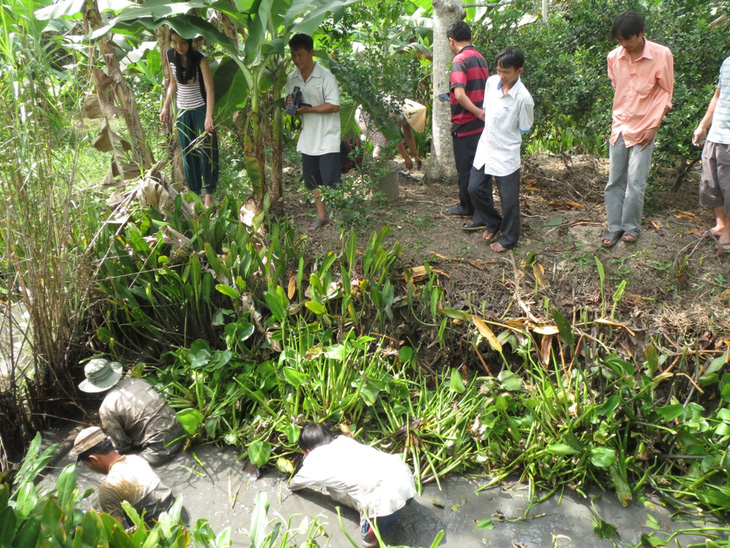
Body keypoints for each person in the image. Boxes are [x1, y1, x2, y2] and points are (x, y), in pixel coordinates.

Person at [601, 11, 673, 247]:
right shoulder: (614, 57)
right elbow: (617, 86)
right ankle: (614, 228)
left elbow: (665, 93)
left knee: (636, 181)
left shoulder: (661, 55)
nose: (624, 45)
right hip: (620, 125)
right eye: (620, 41)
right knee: (614, 180)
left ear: (641, 34)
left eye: (628, 40)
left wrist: (654, 127)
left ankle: (631, 227)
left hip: (646, 126)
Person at [289, 423, 416, 548]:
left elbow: (295, 484)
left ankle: (376, 532)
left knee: (368, 542)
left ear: (309, 450)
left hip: (383, 503)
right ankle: (399, 508)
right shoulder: (344, 441)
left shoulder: (314, 459)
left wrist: (289, 486)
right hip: (406, 481)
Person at [465, 48, 534, 252]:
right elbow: (487, 110)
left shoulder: (523, 98)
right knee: (474, 188)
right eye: (499, 71)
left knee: (509, 200)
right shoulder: (491, 83)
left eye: (507, 72)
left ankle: (509, 238)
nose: (501, 76)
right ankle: (493, 222)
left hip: (507, 151)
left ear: (519, 71)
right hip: (486, 145)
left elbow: (525, 127)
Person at [78, 358, 185, 466]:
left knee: (124, 466)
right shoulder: (138, 382)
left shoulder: (106, 408)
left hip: (159, 451)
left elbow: (122, 445)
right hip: (182, 431)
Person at [285, 33, 341, 231]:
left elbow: (334, 105)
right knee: (312, 180)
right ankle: (322, 216)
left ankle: (341, 216)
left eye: (300, 55)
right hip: (308, 137)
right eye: (293, 55)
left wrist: (309, 109)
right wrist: (291, 103)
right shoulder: (292, 78)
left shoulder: (325, 76)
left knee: (331, 180)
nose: (297, 60)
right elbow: (289, 101)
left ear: (311, 53)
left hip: (327, 136)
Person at [74, 426, 180, 528]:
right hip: (177, 515)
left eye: (86, 464)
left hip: (159, 534)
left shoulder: (108, 488)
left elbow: (117, 532)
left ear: (93, 459)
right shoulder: (135, 459)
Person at [160, 29, 219, 208]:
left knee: (207, 151)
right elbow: (173, 83)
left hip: (200, 109)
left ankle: (209, 194)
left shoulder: (200, 59)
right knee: (188, 152)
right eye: (174, 42)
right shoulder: (171, 55)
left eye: (183, 43)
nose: (179, 46)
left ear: (190, 42)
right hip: (183, 111)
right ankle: (194, 193)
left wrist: (208, 116)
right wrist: (166, 105)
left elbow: (210, 90)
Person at [446, 21, 489, 217]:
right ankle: (480, 209)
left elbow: (461, 94)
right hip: (481, 125)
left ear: (451, 41)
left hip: (465, 122)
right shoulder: (480, 58)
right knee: (479, 168)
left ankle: (467, 207)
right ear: (470, 38)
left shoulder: (459, 60)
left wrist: (476, 111)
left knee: (465, 169)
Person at [692, 56, 730, 255]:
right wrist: (703, 126)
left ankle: (729, 233)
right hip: (716, 136)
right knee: (711, 184)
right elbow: (718, 96)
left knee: (729, 187)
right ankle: (720, 225)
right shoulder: (726, 62)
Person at [355, 102, 422, 170]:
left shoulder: (406, 116)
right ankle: (378, 173)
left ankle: (387, 171)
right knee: (381, 144)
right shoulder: (397, 113)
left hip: (376, 115)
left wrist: (416, 156)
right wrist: (406, 157)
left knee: (388, 147)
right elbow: (393, 135)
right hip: (365, 115)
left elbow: (408, 136)